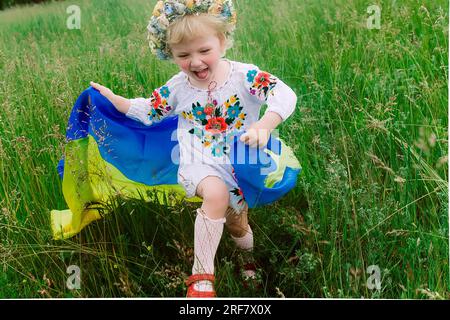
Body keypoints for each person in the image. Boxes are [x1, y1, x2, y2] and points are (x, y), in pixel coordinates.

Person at [89, 0, 297, 298]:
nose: (196, 62)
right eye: (183, 55)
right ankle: (201, 277)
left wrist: (265, 124)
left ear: (222, 42)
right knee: (216, 194)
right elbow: (150, 110)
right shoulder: (179, 87)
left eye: (204, 51)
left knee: (238, 224)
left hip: (238, 165)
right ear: (170, 54)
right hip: (198, 163)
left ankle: (246, 259)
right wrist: (115, 100)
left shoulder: (245, 77)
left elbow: (283, 92)